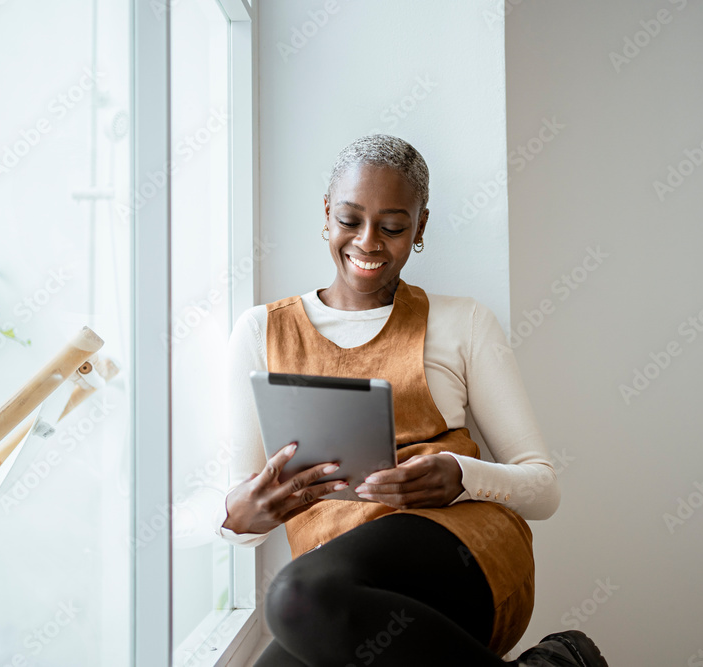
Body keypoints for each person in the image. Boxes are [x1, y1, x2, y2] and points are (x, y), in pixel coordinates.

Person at [216, 134, 608, 666]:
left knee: (294, 596)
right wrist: (240, 517)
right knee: (303, 603)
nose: (369, 242)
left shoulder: (463, 321)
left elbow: (543, 488)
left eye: (393, 226)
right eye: (351, 220)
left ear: (419, 227)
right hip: (338, 597)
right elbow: (241, 499)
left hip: (462, 553)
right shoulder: (260, 331)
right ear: (326, 215)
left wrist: (461, 475)